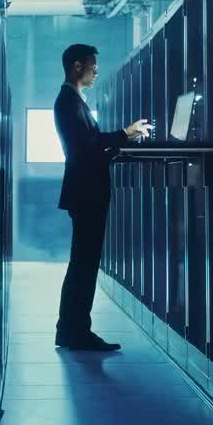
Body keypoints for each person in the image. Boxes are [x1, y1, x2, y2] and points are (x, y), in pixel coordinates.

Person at [53, 44, 151, 351]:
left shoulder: (73, 100)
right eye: (93, 66)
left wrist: (121, 141)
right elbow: (87, 147)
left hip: (85, 190)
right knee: (83, 265)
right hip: (86, 192)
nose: (97, 72)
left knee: (82, 264)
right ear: (77, 66)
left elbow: (90, 145)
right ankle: (75, 332)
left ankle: (70, 330)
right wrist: (124, 135)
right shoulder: (68, 101)